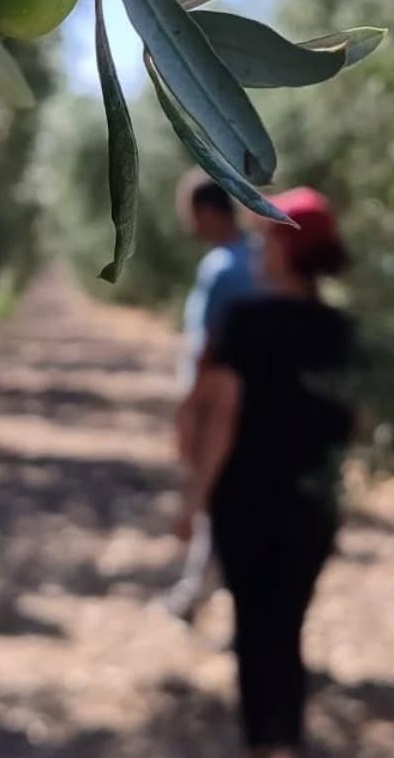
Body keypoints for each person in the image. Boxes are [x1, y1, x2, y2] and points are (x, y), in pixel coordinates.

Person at [175, 187, 356, 758]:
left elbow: (220, 414)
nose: (256, 243)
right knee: (288, 630)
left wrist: (194, 498)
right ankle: (289, 742)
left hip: (245, 503)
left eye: (266, 233)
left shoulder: (245, 322)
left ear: (283, 244)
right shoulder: (343, 330)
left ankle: (264, 745)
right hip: (312, 508)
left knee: (253, 632)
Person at [160, 170, 256, 624]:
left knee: (210, 494)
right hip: (252, 406)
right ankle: (199, 592)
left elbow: (209, 349)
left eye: (191, 215)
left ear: (207, 211)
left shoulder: (220, 269)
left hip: (216, 402)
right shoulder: (256, 260)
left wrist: (189, 411)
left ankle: (198, 594)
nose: (188, 226)